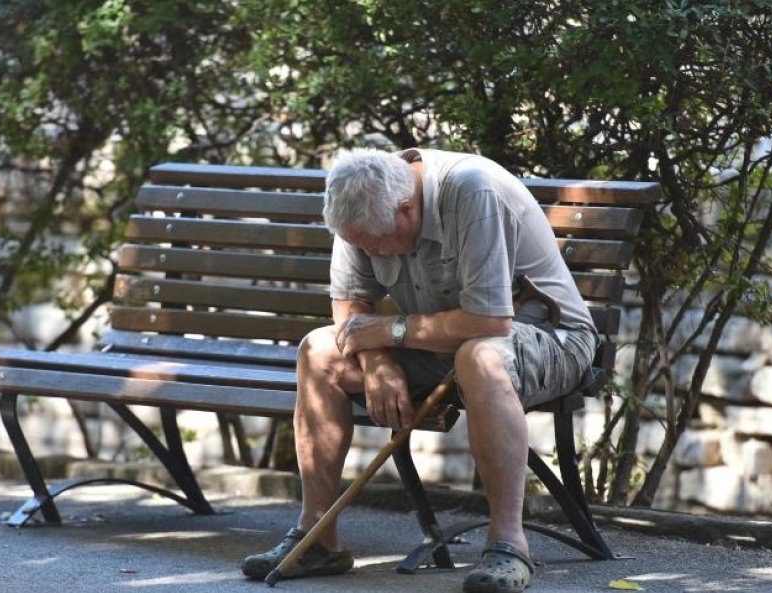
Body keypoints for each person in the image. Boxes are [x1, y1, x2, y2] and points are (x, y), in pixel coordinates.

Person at [241, 148, 598, 593]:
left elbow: (489, 322)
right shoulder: (360, 202)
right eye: (361, 245)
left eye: (374, 242)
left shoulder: (471, 190)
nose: (369, 251)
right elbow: (350, 308)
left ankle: (508, 544)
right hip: (437, 341)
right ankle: (317, 539)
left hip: (549, 338)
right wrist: (377, 362)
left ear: (407, 209)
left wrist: (389, 331)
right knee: (318, 351)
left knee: (479, 357)